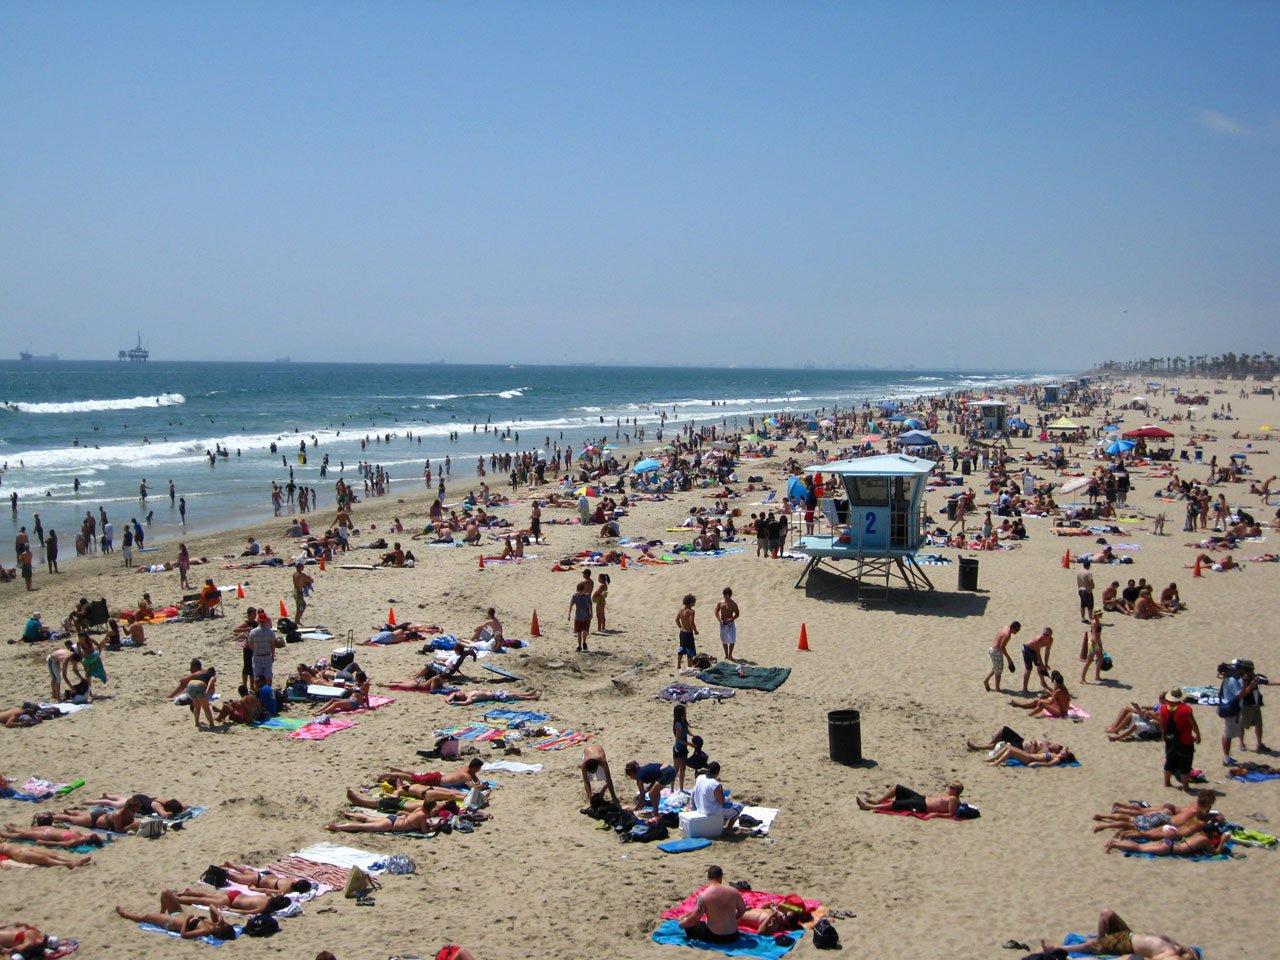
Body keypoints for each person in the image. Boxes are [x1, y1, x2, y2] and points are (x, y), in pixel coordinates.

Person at [1038, 909, 1198, 960]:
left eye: (1192, 951)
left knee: (1091, 946)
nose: (1189, 948)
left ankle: (1054, 949)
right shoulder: (1174, 945)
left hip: (1126, 944)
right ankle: (1100, 943)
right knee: (1106, 913)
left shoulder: (1171, 954)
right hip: (1127, 933)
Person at [114, 894, 236, 940]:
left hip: (171, 921)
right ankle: (161, 913)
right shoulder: (214, 923)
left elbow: (184, 935)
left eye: (222, 926)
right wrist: (220, 916)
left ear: (219, 933)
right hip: (179, 913)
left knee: (145, 917)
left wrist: (187, 920)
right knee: (165, 893)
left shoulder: (206, 930)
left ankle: (125, 914)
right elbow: (211, 906)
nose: (221, 923)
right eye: (224, 923)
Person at [677, 865, 746, 944]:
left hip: (715, 937)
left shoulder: (704, 896)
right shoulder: (734, 891)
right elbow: (742, 909)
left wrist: (681, 924)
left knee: (689, 926)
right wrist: (734, 918)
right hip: (734, 935)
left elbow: (694, 919)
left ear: (709, 878)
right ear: (721, 877)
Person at [1159, 689, 1201, 792]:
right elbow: (1193, 723)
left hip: (1169, 739)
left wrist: (1164, 735)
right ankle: (1185, 787)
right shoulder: (1185, 709)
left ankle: (1167, 783)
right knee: (1185, 764)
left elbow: (1161, 723)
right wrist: (1198, 735)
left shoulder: (1163, 708)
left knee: (1169, 760)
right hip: (1185, 740)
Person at [856, 782, 963, 818]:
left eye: (951, 787)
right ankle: (878, 801)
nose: (948, 787)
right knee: (898, 788)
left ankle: (869, 807)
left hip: (922, 806)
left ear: (956, 791)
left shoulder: (953, 799)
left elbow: (951, 814)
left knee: (898, 804)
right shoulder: (949, 796)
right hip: (921, 799)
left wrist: (935, 814)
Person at [170, 886, 292, 915]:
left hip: (236, 894)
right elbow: (247, 912)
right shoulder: (264, 907)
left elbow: (266, 891)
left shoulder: (269, 897)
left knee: (207, 895)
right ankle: (175, 898)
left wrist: (254, 888)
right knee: (202, 901)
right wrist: (229, 909)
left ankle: (187, 891)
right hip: (230, 901)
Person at [690, 761, 741, 830]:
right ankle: (728, 828)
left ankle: (723, 821)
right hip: (710, 811)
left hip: (699, 807)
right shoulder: (715, 785)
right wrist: (725, 796)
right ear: (717, 773)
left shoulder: (700, 778)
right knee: (738, 807)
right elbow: (721, 801)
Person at [983, 621, 1020, 693]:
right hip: (996, 651)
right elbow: (1002, 647)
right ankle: (997, 688)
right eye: (1017, 630)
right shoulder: (1008, 635)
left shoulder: (1006, 627)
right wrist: (1009, 659)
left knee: (996, 667)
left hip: (992, 648)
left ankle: (986, 680)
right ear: (1012, 627)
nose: (1017, 632)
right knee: (999, 671)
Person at [249, 611, 283, 684]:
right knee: (268, 676)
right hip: (267, 656)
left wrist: (255, 650)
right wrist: (273, 655)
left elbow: (250, 644)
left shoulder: (253, 632)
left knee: (257, 677)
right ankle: (268, 690)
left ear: (258, 620)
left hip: (257, 656)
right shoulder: (270, 632)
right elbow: (273, 645)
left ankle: (259, 692)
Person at [0, 842, 92, 869]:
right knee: (45, 858)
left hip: (25, 848)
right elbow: (3, 862)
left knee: (53, 854)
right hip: (20, 854)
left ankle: (70, 860)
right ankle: (69, 864)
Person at [1020, 626, 1054, 692]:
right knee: (1029, 668)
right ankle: (1024, 689)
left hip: (1034, 651)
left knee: (1040, 667)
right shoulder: (1039, 639)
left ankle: (1043, 683)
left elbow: (1047, 652)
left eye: (1047, 635)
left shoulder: (1050, 640)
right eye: (1044, 634)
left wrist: (1046, 664)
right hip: (1027, 649)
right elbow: (1038, 653)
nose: (1044, 636)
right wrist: (1042, 664)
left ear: (1050, 635)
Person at [715, 587, 739, 660]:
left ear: (730, 595)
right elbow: (716, 612)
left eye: (727, 595)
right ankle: (726, 654)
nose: (726, 597)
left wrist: (732, 618)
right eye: (725, 595)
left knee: (732, 639)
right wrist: (720, 620)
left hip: (731, 624)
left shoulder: (733, 604)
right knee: (724, 640)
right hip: (723, 623)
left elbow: (737, 614)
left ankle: (730, 654)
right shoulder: (720, 603)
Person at [672, 704, 692, 793]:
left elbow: (688, 731)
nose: (686, 713)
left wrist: (695, 736)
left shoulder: (683, 721)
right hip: (678, 749)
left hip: (684, 748)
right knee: (676, 770)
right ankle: (672, 788)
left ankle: (681, 788)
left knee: (683, 769)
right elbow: (678, 738)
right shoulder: (678, 724)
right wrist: (689, 744)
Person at [676, 593, 699, 668]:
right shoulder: (691, 611)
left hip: (682, 632)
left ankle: (678, 665)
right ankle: (689, 666)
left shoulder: (681, 610)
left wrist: (681, 627)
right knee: (690, 650)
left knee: (681, 648)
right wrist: (695, 631)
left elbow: (676, 620)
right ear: (691, 603)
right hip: (688, 633)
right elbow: (691, 622)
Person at [569, 581, 592, 652]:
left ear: (584, 590)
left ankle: (584, 642)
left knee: (585, 630)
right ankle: (579, 646)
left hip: (586, 616)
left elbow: (590, 605)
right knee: (579, 632)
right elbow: (571, 604)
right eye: (579, 591)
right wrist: (569, 614)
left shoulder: (587, 596)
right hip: (578, 617)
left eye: (581, 591)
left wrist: (591, 614)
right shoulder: (575, 596)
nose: (580, 592)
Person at [1076, 557, 1095, 622]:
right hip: (1087, 591)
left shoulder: (1079, 572)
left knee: (1083, 605)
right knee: (1090, 606)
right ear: (1088, 566)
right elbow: (1091, 581)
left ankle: (1083, 618)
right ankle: (1090, 618)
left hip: (1080, 590)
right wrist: (1093, 586)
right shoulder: (1088, 573)